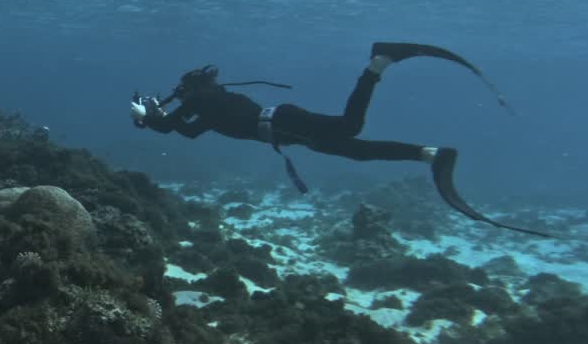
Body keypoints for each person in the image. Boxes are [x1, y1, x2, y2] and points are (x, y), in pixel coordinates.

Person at [130, 42, 552, 238]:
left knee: (351, 132)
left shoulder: (203, 99)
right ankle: (431, 155)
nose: (180, 95)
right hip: (287, 129)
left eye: (182, 90)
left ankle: (379, 62)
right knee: (358, 151)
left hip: (285, 125)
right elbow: (184, 131)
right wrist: (155, 118)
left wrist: (151, 116)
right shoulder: (209, 103)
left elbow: (177, 125)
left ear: (190, 86)